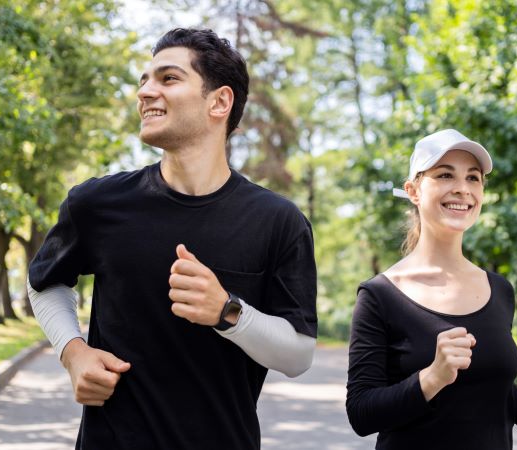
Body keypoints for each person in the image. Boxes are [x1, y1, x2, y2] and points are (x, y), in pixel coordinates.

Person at [27, 28, 317, 449]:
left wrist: (227, 311)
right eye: (144, 80)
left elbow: (298, 355)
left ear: (219, 102)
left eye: (168, 78)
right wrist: (73, 352)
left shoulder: (278, 221)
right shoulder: (97, 203)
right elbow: (45, 281)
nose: (145, 91)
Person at [345, 129, 517, 449]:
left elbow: (487, 388)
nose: (462, 189)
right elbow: (361, 413)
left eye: (473, 178)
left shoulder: (500, 290)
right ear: (413, 191)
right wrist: (432, 377)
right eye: (445, 175)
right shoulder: (380, 295)